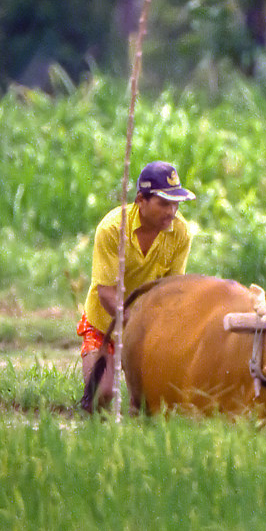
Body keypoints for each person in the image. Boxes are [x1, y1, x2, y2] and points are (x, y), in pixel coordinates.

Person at [77, 160, 194, 407]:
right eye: (164, 203)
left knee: (149, 402)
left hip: (147, 329)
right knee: (102, 395)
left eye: (176, 203)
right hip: (105, 323)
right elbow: (106, 293)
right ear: (141, 200)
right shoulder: (112, 229)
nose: (171, 211)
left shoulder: (180, 233)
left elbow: (172, 290)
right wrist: (136, 322)